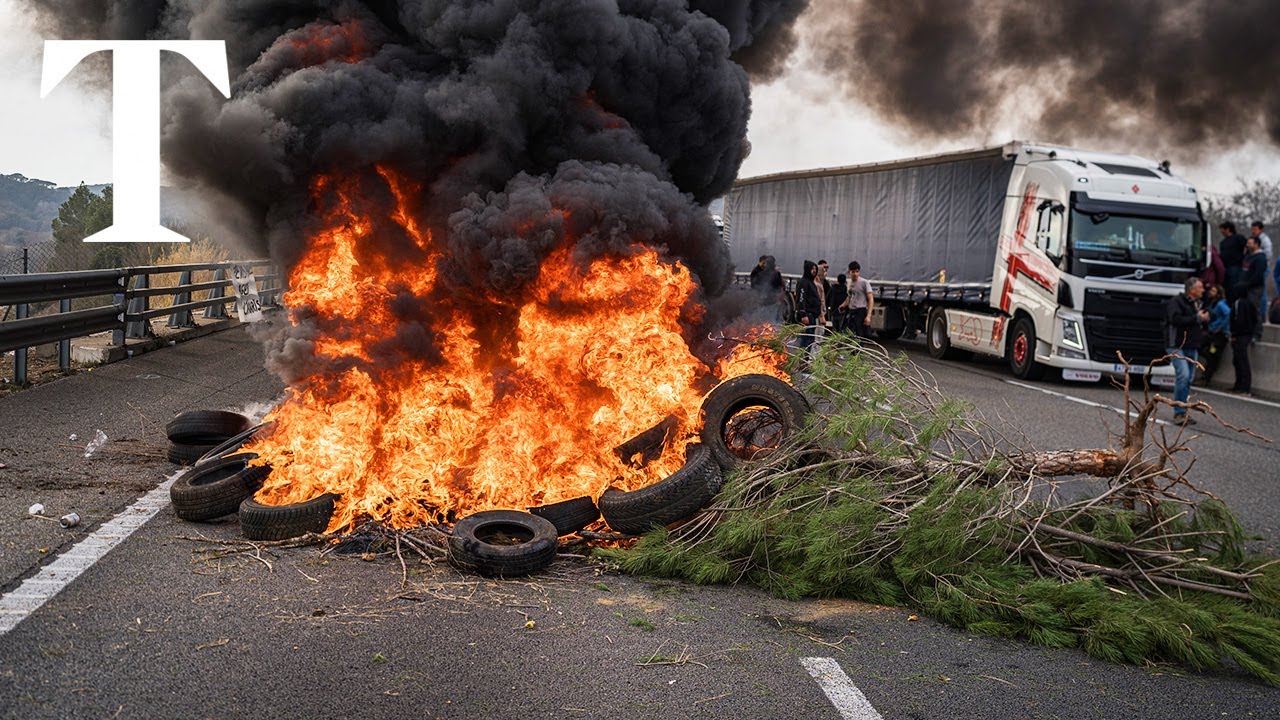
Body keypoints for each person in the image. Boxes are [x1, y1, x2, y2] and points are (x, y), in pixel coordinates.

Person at [1164, 277, 1208, 425]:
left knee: (1189, 379)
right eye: (1200, 287)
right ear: (1192, 289)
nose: (1203, 290)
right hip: (1177, 344)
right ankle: (1178, 412)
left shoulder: (1198, 303)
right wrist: (1196, 318)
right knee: (1183, 375)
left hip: (1192, 345)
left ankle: (1183, 410)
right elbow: (1175, 319)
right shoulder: (1176, 302)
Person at [1198, 284, 1230, 385]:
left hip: (1219, 335)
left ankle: (1206, 378)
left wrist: (1220, 327)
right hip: (1211, 332)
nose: (1210, 293)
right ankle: (1205, 375)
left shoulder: (1220, 304)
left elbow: (1228, 314)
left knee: (1213, 355)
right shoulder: (1212, 304)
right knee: (1201, 348)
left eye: (1213, 291)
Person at [1237, 235, 1267, 341]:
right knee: (1244, 310)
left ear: (1256, 244)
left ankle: (1257, 333)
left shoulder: (1260, 258)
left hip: (1255, 288)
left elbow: (1258, 275)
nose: (1247, 245)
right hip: (1244, 288)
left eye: (1250, 243)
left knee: (1254, 309)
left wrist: (1248, 284)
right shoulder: (1248, 256)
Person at [1230, 291, 1258, 396]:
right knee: (1240, 361)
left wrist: (1234, 333)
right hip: (1247, 335)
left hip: (1240, 335)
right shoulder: (1250, 303)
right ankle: (1242, 387)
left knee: (1240, 361)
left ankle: (1242, 387)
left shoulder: (1238, 303)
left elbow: (1237, 319)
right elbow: (1255, 318)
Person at [795, 260, 823, 356]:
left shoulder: (810, 282)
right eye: (812, 269)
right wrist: (803, 314)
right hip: (807, 315)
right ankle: (802, 361)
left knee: (810, 339)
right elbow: (801, 299)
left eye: (815, 269)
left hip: (812, 316)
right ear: (807, 270)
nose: (814, 271)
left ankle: (805, 361)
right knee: (805, 339)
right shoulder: (803, 282)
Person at [841, 261, 875, 339]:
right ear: (849, 272)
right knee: (849, 334)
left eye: (857, 271)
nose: (855, 274)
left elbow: (870, 299)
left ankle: (860, 350)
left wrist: (868, 316)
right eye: (853, 272)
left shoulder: (864, 282)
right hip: (851, 311)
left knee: (859, 335)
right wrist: (843, 305)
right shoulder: (849, 283)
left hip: (860, 311)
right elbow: (850, 296)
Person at [1219, 222, 1247, 300]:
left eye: (1222, 230)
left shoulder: (1238, 238)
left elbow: (1247, 246)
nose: (1221, 232)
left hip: (1236, 267)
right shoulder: (1223, 242)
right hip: (1226, 267)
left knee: (1234, 286)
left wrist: (1244, 258)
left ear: (1228, 229)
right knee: (1227, 288)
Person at [1251, 221, 1273, 321]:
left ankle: (1262, 314)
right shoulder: (1255, 239)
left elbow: (1268, 255)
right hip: (1255, 268)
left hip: (1262, 268)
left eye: (1255, 229)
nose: (1253, 231)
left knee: (1261, 291)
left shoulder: (1265, 240)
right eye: (1252, 229)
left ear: (1260, 229)